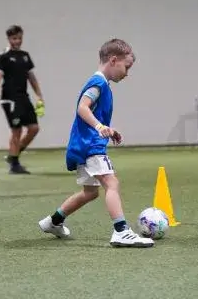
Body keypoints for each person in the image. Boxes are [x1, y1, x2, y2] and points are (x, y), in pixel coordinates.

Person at [39, 38, 154, 248]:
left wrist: (108, 129)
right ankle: (121, 231)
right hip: (90, 146)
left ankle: (53, 222)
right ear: (113, 60)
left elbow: (90, 112)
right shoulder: (98, 82)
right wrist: (100, 127)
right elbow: (83, 107)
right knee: (112, 183)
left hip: (82, 145)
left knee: (90, 193)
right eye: (126, 67)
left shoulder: (102, 84)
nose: (127, 73)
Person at [0, 25, 44, 174]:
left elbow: (32, 78)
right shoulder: (3, 56)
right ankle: (14, 165)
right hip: (9, 99)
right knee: (16, 130)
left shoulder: (25, 55)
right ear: (9, 38)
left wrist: (39, 95)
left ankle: (13, 154)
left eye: (19, 38)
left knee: (34, 128)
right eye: (14, 38)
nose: (17, 41)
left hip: (23, 97)